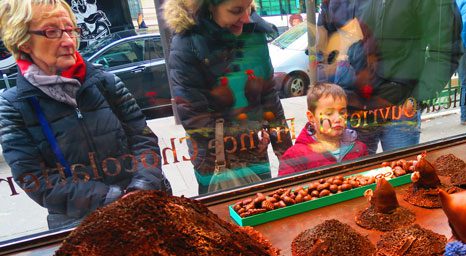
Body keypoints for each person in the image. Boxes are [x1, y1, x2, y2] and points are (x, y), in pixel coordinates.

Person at [0, 0, 169, 230]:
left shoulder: (106, 82)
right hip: (83, 227)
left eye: (70, 29)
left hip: (146, 206)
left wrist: (141, 188)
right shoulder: (14, 106)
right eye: (52, 31)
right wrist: (113, 198)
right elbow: (38, 182)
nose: (69, 41)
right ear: (23, 42)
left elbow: (143, 139)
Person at [163, 0, 293, 194]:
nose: (247, 17)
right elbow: (193, 116)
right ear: (208, 6)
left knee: (262, 208)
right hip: (215, 158)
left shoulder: (253, 32)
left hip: (256, 148)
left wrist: (287, 156)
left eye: (249, 7)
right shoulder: (187, 43)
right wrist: (249, 136)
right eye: (236, 11)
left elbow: (268, 95)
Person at [324, 0, 463, 154]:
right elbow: (327, 35)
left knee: (400, 173)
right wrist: (328, 96)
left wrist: (418, 98)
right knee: (353, 174)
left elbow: (445, 49)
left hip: (400, 106)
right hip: (355, 104)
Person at [278, 83, 367, 176]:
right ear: (311, 117)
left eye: (342, 112)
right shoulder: (296, 156)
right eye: (329, 113)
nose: (338, 119)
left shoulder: (358, 148)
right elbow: (285, 188)